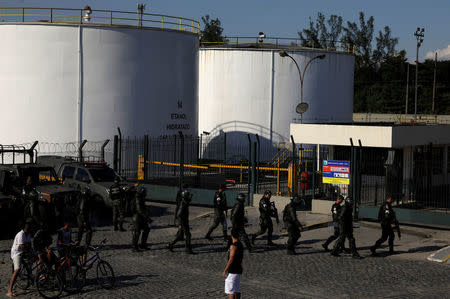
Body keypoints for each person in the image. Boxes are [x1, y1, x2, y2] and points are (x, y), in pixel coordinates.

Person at [7, 223, 32, 297]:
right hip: (16, 253)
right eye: (27, 228)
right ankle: (9, 290)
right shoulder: (21, 234)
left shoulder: (28, 234)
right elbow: (22, 246)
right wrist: (28, 252)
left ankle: (31, 276)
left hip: (23, 251)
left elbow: (29, 244)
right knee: (17, 269)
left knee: (35, 259)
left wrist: (31, 252)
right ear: (24, 228)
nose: (29, 229)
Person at [167, 190, 193, 254]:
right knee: (188, 235)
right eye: (188, 195)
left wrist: (190, 198)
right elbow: (179, 215)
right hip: (183, 222)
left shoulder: (185, 202)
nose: (188, 196)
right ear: (185, 196)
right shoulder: (183, 204)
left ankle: (170, 245)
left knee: (180, 235)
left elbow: (188, 201)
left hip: (184, 222)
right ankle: (187, 249)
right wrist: (180, 225)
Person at [222, 228, 244, 299]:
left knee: (230, 291)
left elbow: (231, 259)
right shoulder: (240, 245)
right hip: (238, 270)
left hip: (232, 271)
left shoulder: (233, 246)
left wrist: (225, 270)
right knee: (237, 290)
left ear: (231, 235)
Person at [77, 187, 93, 269]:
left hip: (82, 218)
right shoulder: (84, 199)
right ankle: (86, 244)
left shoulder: (83, 198)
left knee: (81, 231)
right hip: (82, 218)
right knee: (88, 231)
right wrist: (84, 220)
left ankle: (78, 242)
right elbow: (82, 210)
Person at [132, 185, 152, 252]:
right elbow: (139, 209)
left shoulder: (141, 197)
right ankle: (134, 247)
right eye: (145, 192)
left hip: (141, 217)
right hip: (137, 217)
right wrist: (147, 217)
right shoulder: (138, 198)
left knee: (146, 229)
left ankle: (143, 245)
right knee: (137, 232)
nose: (146, 193)